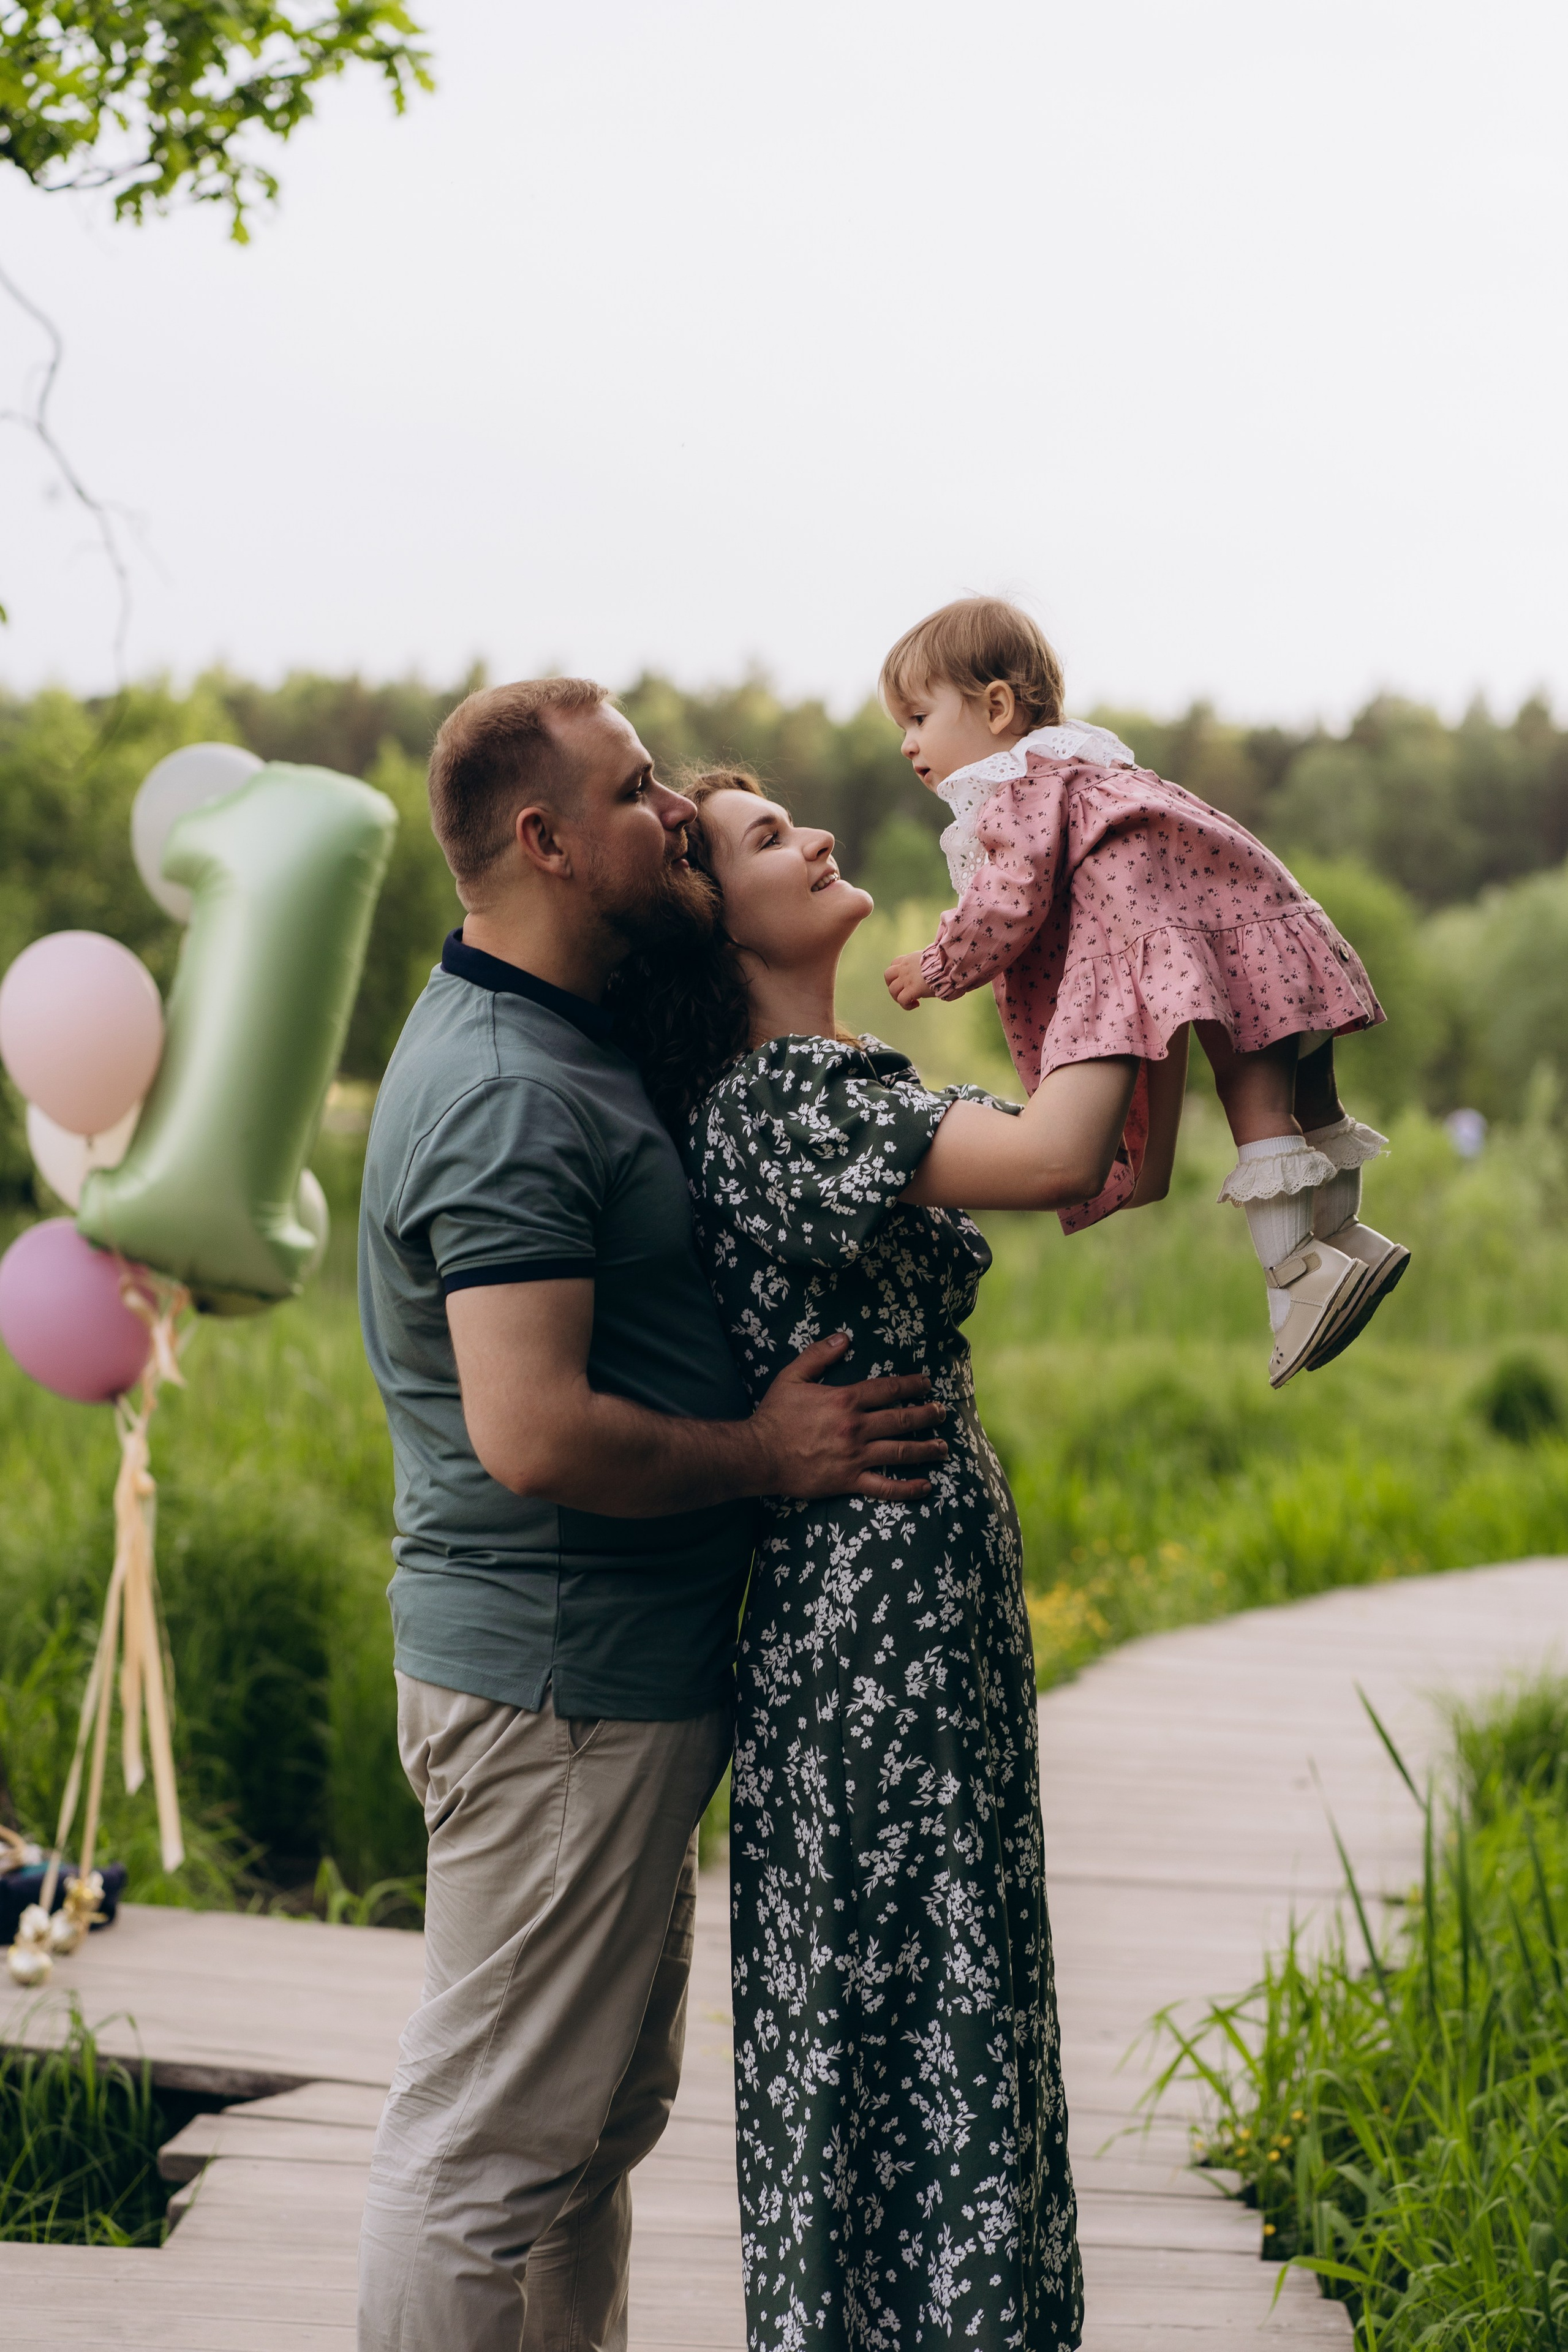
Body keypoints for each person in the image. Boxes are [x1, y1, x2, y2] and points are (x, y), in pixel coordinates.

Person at [355, 677, 952, 2352]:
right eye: (635, 794)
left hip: (608, 1680)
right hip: (556, 1684)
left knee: (584, 2134)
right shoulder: (506, 1090)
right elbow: (533, 1433)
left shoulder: (562, 1037)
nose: (674, 813)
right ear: (542, 840)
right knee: (485, 2153)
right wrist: (771, 1456)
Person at [611, 770, 1190, 2352]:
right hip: (870, 1627)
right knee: (910, 2003)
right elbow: (1071, 1153)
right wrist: (1129, 898)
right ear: (712, 923)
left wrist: (1141, 989)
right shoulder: (781, 1103)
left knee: (942, 1985)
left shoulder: (839, 1074)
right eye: (760, 840)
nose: (809, 835)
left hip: (910, 1601)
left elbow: (1108, 1156)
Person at [879, 597, 1411, 1387]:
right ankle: (1349, 1240)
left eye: (919, 717)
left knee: (1257, 1110)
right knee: (1308, 1098)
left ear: (996, 707)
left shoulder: (1022, 789)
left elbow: (1012, 895)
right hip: (1261, 931)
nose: (907, 743)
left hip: (1204, 952)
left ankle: (1299, 1273)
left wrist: (942, 962)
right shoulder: (1098, 769)